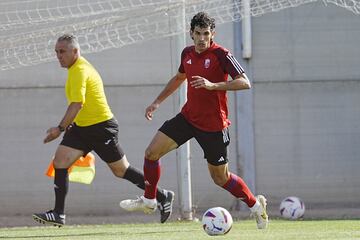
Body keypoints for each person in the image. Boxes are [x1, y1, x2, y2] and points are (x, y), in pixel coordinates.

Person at [119, 12, 268, 229]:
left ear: (212, 34)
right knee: (151, 153)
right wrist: (157, 102)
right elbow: (180, 77)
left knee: (220, 178)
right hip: (188, 118)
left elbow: (245, 82)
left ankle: (256, 207)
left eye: (206, 33)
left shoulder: (222, 55)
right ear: (191, 33)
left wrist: (213, 85)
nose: (201, 38)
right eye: (197, 33)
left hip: (214, 126)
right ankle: (150, 200)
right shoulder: (187, 53)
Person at [32, 34, 174, 227]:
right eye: (56, 52)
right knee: (60, 161)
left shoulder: (80, 70)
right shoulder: (74, 69)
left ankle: (162, 195)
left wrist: (60, 128)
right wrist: (72, 125)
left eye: (62, 51)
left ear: (75, 51)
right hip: (82, 128)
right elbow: (81, 106)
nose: (58, 55)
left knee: (120, 170)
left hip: (101, 128)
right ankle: (58, 214)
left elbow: (77, 104)